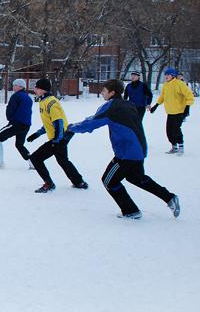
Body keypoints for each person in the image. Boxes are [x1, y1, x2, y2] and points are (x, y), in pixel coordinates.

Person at [68, 79, 180, 220]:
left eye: (104, 90)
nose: (102, 93)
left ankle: (131, 211)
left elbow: (91, 123)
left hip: (126, 153)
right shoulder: (128, 104)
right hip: (138, 149)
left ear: (112, 92)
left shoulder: (111, 106)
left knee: (109, 181)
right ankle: (170, 198)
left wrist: (71, 127)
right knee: (137, 178)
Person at [26, 78, 88, 193]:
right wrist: (37, 134)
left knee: (35, 158)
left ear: (43, 90)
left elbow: (58, 122)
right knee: (63, 160)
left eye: (37, 88)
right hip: (60, 137)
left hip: (60, 137)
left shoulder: (51, 102)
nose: (34, 89)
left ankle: (49, 184)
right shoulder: (43, 101)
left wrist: (56, 141)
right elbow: (49, 123)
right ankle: (79, 182)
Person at [150, 67, 194, 154]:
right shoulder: (166, 85)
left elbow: (189, 96)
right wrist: (156, 105)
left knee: (176, 129)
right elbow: (162, 96)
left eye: (168, 75)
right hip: (170, 112)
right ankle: (174, 146)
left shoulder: (179, 84)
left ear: (173, 76)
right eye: (165, 75)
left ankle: (181, 146)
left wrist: (187, 107)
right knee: (169, 130)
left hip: (179, 111)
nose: (166, 76)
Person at [0, 78, 33, 169]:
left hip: (16, 123)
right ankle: (32, 162)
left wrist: (10, 118)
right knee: (19, 144)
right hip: (26, 125)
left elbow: (11, 109)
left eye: (15, 85)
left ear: (20, 86)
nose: (13, 87)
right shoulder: (28, 97)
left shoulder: (16, 96)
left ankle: (0, 162)